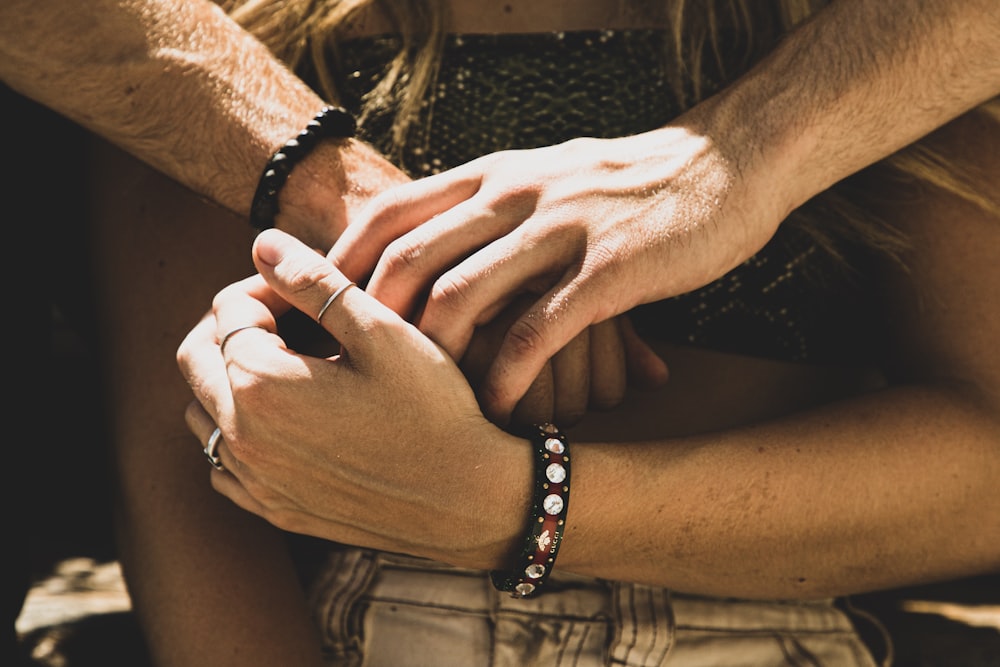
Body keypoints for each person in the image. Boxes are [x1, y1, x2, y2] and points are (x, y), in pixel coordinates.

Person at [4, 0, 997, 664]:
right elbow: (182, 483)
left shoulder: (854, 41)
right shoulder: (244, 49)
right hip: (380, 630)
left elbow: (982, 453)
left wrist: (524, 503)